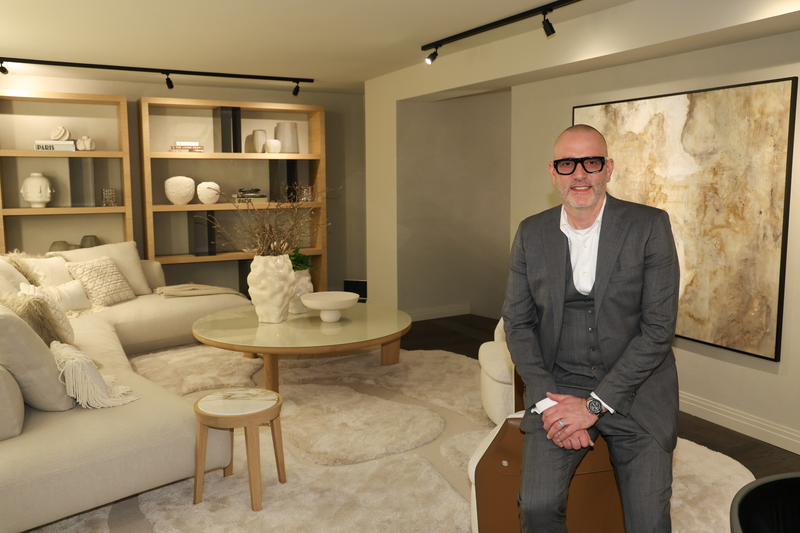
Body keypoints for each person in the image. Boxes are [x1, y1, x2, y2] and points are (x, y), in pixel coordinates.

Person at [501, 124, 681, 532]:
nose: (579, 174)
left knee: (649, 520)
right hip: (558, 387)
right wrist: (549, 404)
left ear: (608, 169)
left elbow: (658, 330)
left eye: (591, 163)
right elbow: (518, 323)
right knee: (537, 507)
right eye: (567, 164)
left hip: (638, 390)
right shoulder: (531, 233)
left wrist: (593, 407)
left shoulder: (649, 225)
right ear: (553, 173)